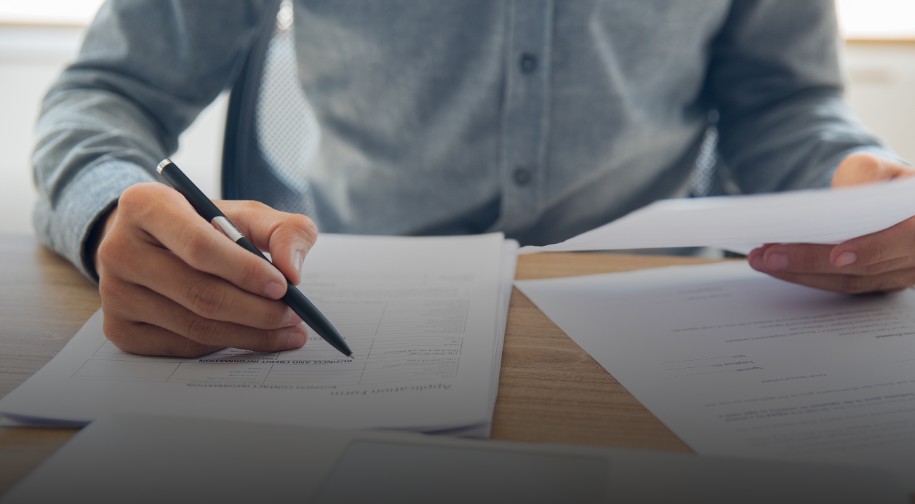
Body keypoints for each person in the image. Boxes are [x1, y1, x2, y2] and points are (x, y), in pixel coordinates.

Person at [33, 0, 914, 357]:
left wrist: (851, 183)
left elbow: (782, 101)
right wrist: (111, 210)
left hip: (666, 333)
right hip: (360, 323)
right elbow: (106, 92)